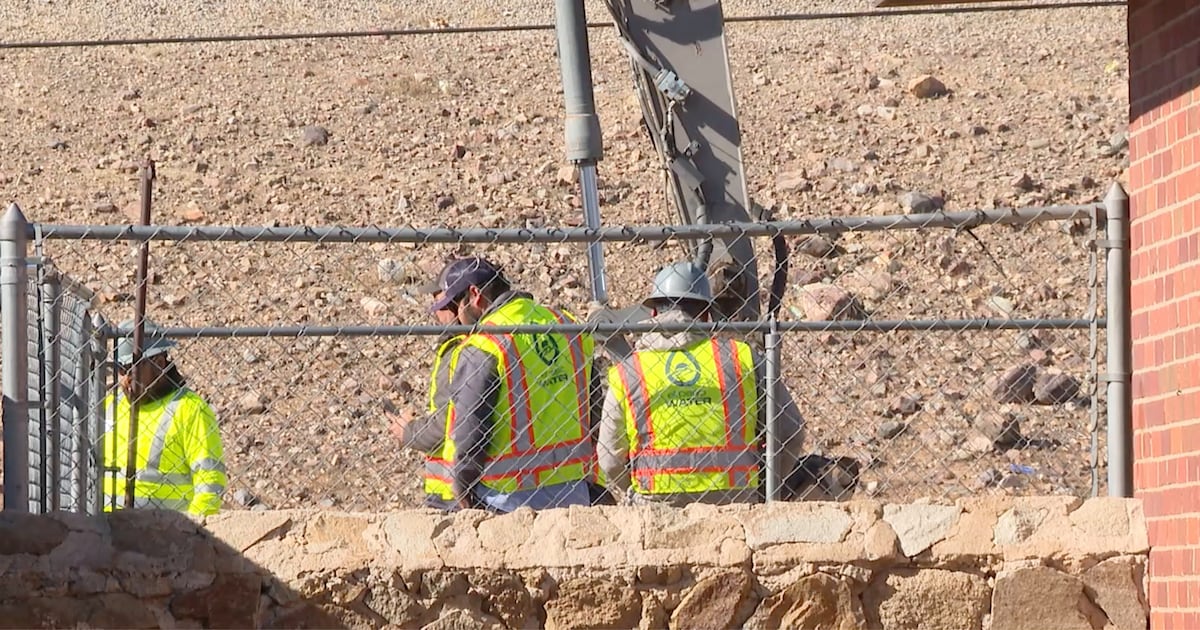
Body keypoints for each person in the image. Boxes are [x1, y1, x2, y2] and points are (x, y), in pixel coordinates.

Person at [598, 261, 807, 506]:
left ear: (653, 313)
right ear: (707, 313)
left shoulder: (629, 370)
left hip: (656, 504)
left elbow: (609, 459)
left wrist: (636, 492)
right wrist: (767, 490)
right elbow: (791, 432)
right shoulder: (744, 358)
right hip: (735, 501)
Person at [424, 256, 597, 512]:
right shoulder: (567, 325)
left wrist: (461, 488)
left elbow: (471, 431)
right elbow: (593, 405)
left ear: (474, 295)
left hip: (506, 501)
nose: (456, 318)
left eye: (454, 306)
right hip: (574, 494)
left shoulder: (484, 345)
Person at [99, 319, 227, 516]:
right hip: (105, 532)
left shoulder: (190, 409)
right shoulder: (109, 407)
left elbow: (209, 483)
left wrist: (189, 534)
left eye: (131, 369)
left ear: (158, 364)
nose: (125, 379)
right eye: (120, 370)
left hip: (165, 536)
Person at [387, 267, 467, 510]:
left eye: (440, 304)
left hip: (452, 491)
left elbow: (448, 422)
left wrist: (407, 431)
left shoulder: (459, 352)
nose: (436, 313)